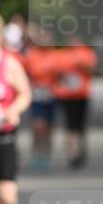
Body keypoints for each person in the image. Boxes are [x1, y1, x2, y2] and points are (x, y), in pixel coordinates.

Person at [0, 22, 33, 204]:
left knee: (8, 197)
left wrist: (12, 111)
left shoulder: (9, 64)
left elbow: (25, 94)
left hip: (4, 134)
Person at [53, 37, 98, 168]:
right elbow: (56, 74)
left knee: (81, 126)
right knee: (70, 126)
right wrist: (62, 76)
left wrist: (83, 66)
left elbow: (92, 70)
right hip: (67, 95)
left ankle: (82, 151)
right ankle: (72, 154)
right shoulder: (62, 54)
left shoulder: (87, 52)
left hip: (82, 94)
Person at [22, 24, 58, 170]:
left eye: (47, 37)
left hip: (51, 96)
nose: (45, 40)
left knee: (49, 128)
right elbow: (24, 74)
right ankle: (34, 155)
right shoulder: (31, 55)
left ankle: (47, 155)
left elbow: (62, 76)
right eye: (42, 37)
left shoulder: (56, 55)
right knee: (37, 126)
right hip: (37, 96)